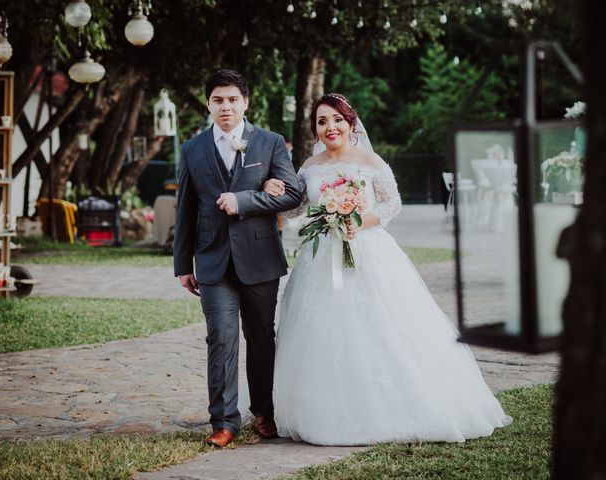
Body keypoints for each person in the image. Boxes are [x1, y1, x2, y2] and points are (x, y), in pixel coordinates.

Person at [263, 93, 511, 446]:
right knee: (320, 330)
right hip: (320, 261)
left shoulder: (370, 160)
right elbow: (294, 209)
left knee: (381, 324)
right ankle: (324, 408)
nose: (329, 127)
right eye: (321, 121)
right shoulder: (308, 167)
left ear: (351, 123)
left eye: (336, 119)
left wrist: (358, 221)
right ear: (315, 130)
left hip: (369, 252)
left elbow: (393, 203)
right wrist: (273, 189)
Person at [173, 69, 301, 448]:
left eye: (232, 99)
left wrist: (244, 200)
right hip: (212, 261)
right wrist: (183, 266)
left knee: (261, 338)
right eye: (217, 100)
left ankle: (264, 412)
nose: (225, 106)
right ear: (208, 104)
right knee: (220, 339)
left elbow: (292, 194)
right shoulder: (192, 149)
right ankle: (224, 421)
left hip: (260, 257)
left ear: (246, 102)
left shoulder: (270, 142)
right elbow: (185, 210)